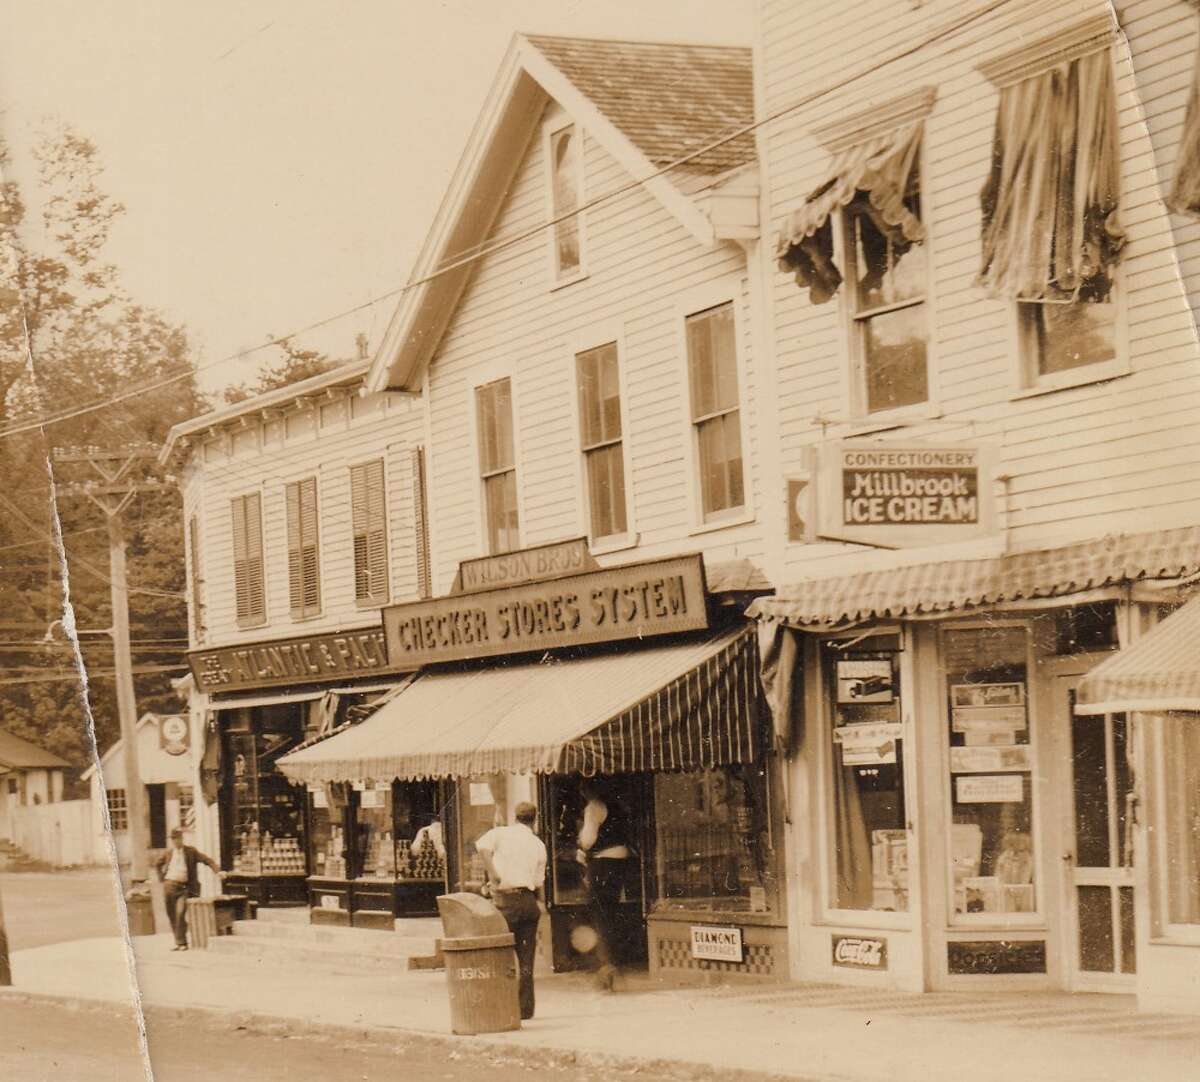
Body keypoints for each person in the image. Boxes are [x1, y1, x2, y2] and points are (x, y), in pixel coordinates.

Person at [475, 801, 547, 1021]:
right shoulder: (538, 844)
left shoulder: (501, 833)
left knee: (499, 954)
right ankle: (525, 1008)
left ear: (515, 816)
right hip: (527, 900)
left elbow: (481, 847)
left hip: (505, 901)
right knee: (526, 959)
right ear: (535, 820)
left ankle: (501, 1004)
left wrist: (494, 874)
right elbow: (539, 881)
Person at [576, 779, 636, 991]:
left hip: (603, 863)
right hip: (620, 861)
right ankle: (613, 965)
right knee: (611, 913)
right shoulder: (617, 805)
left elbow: (588, 840)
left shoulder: (593, 807)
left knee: (599, 916)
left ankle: (606, 968)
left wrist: (580, 843)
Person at [155, 828, 222, 951]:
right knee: (172, 914)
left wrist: (217, 871)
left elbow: (206, 860)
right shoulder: (168, 853)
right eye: (173, 839)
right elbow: (157, 864)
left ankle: (182, 942)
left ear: (182, 839)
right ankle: (179, 942)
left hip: (184, 888)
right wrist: (161, 878)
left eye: (177, 839)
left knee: (180, 913)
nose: (175, 841)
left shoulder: (191, 852)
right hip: (169, 886)